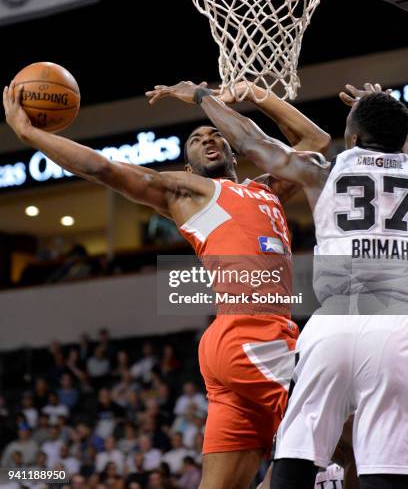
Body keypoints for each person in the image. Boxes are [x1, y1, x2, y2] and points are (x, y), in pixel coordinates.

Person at [3, 80, 329, 489]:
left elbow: (314, 140)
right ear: (188, 164)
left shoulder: (266, 188)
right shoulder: (188, 190)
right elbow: (102, 168)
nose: (208, 139)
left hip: (234, 344)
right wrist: (31, 134)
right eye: (196, 138)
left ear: (232, 147)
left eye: (215, 134)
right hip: (253, 334)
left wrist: (256, 95)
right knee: (334, 434)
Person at [146, 81, 408, 489]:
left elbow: (254, 141)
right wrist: (381, 111)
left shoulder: (328, 170)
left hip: (331, 325)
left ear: (353, 138)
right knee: (373, 456)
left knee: (298, 451)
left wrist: (205, 97)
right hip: (396, 323)